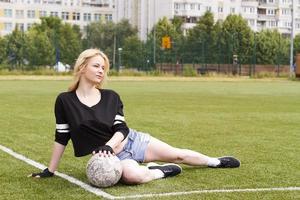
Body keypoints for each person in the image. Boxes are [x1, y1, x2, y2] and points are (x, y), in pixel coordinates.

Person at [29, 49, 240, 184]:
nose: (101, 71)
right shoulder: (65, 100)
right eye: (96, 66)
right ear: (82, 67)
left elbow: (122, 129)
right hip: (110, 158)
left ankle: (216, 162)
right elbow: (62, 136)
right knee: (133, 176)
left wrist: (109, 145)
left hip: (132, 142)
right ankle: (160, 172)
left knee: (178, 155)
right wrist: (50, 170)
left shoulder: (111, 97)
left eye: (104, 67)